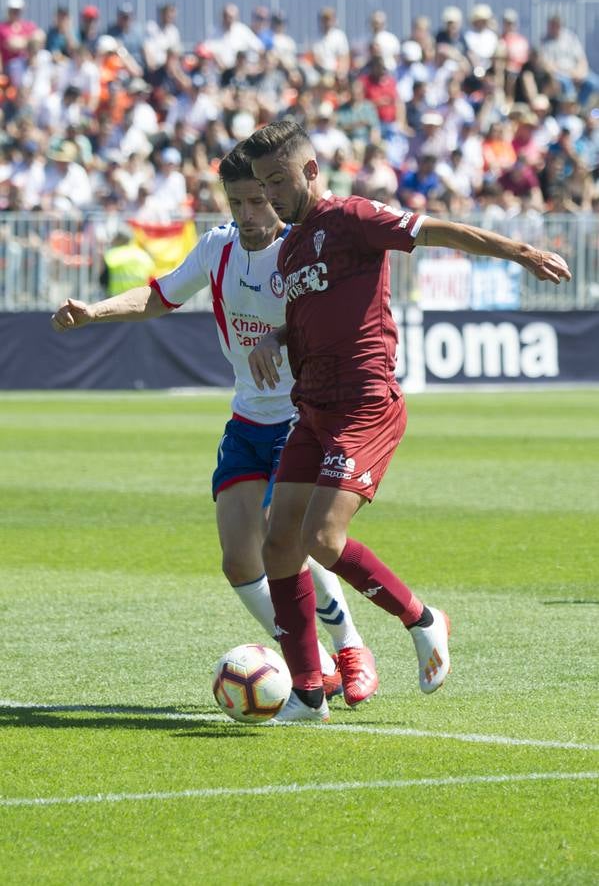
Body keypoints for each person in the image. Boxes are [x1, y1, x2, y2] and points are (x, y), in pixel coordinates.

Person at [242, 120, 571, 723]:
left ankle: (422, 619)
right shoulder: (290, 247)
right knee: (278, 542)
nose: (270, 196)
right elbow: (310, 314)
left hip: (364, 402)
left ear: (310, 171)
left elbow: (438, 230)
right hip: (311, 407)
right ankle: (308, 692)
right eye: (263, 185)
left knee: (322, 540)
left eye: (277, 181)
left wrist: (521, 253)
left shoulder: (353, 217)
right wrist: (274, 336)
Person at [51, 144, 378, 708]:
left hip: (302, 416)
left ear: (276, 193)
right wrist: (95, 311)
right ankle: (313, 662)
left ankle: (349, 647)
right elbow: (160, 297)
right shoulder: (216, 248)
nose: (248, 213)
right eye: (237, 202)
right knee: (238, 560)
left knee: (287, 538)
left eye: (257, 200)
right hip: (247, 419)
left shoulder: (301, 251)